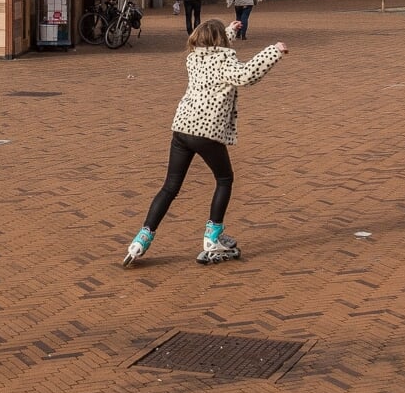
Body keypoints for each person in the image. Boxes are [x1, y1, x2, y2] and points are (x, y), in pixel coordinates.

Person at [123, 20, 288, 268]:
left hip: (181, 128)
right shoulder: (224, 62)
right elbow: (245, 75)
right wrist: (274, 51)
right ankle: (213, 238)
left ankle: (142, 238)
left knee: (170, 187)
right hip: (206, 131)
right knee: (224, 179)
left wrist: (230, 31)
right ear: (220, 40)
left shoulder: (193, 58)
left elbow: (214, 49)